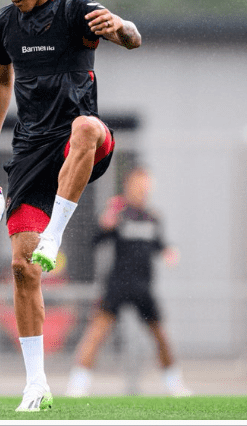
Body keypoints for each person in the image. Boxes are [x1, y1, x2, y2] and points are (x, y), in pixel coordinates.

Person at [0, 0, 141, 412]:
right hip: (31, 149)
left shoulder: (75, 9)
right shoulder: (4, 23)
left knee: (86, 125)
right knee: (22, 268)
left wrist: (120, 26)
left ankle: (55, 235)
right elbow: (1, 80)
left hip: (83, 144)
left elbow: (132, 38)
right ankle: (36, 384)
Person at [66, 168, 191, 397]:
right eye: (139, 184)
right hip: (117, 284)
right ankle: (78, 385)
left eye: (147, 185)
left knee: (161, 336)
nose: (143, 189)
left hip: (143, 287)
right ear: (129, 185)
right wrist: (105, 223)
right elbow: (95, 239)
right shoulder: (118, 212)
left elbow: (158, 245)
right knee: (96, 333)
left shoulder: (153, 217)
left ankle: (174, 384)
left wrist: (168, 251)